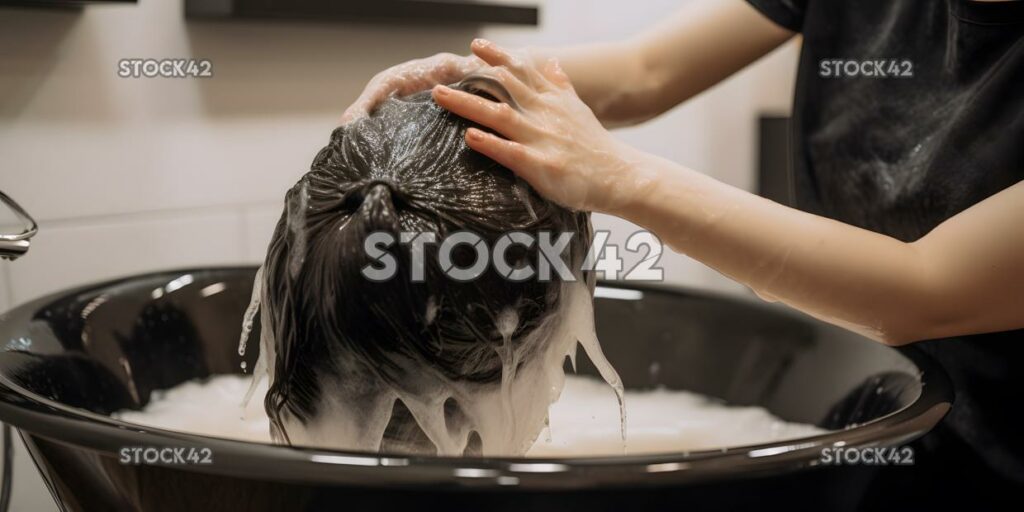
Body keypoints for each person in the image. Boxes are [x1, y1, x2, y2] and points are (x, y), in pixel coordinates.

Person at [340, 0, 1024, 507]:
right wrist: (485, 86)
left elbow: (926, 288)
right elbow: (647, 70)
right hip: (859, 408)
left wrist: (618, 177)